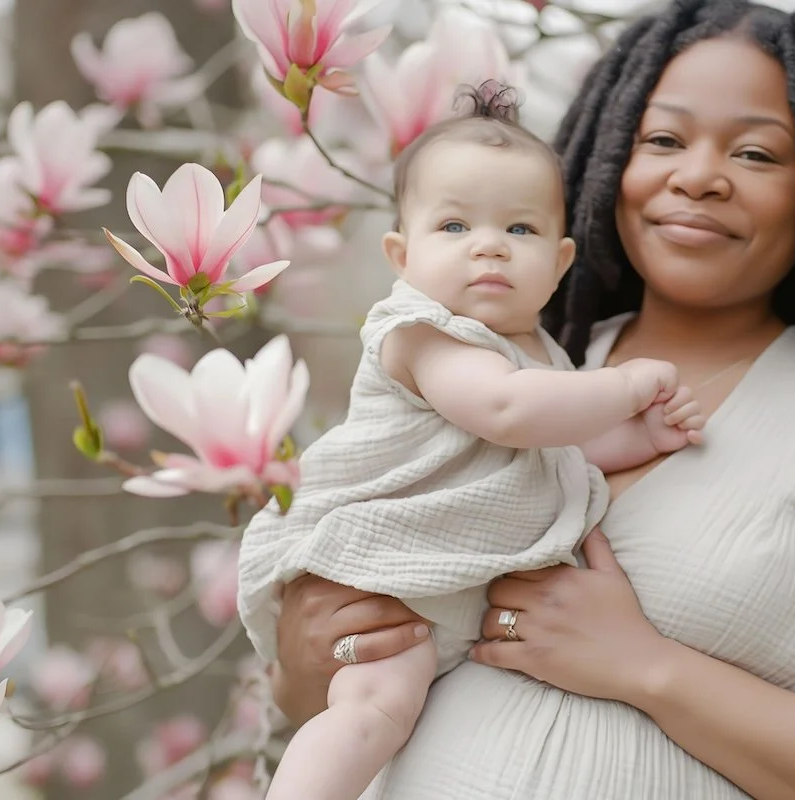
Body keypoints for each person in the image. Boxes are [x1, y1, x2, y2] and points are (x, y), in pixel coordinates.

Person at [267, 1, 795, 798]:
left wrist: (647, 667)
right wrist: (308, 659)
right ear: (612, 157)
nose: (698, 176)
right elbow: (342, 688)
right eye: (664, 140)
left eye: (756, 153)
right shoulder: (495, 366)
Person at [237, 84, 707, 800]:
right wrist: (630, 385)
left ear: (559, 262)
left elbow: (556, 454)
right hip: (386, 569)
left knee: (393, 710)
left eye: (519, 230)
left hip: (443, 585)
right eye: (454, 226)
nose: (488, 245)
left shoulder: (541, 355)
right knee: (371, 710)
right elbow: (507, 412)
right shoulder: (425, 335)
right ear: (401, 253)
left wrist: (637, 435)